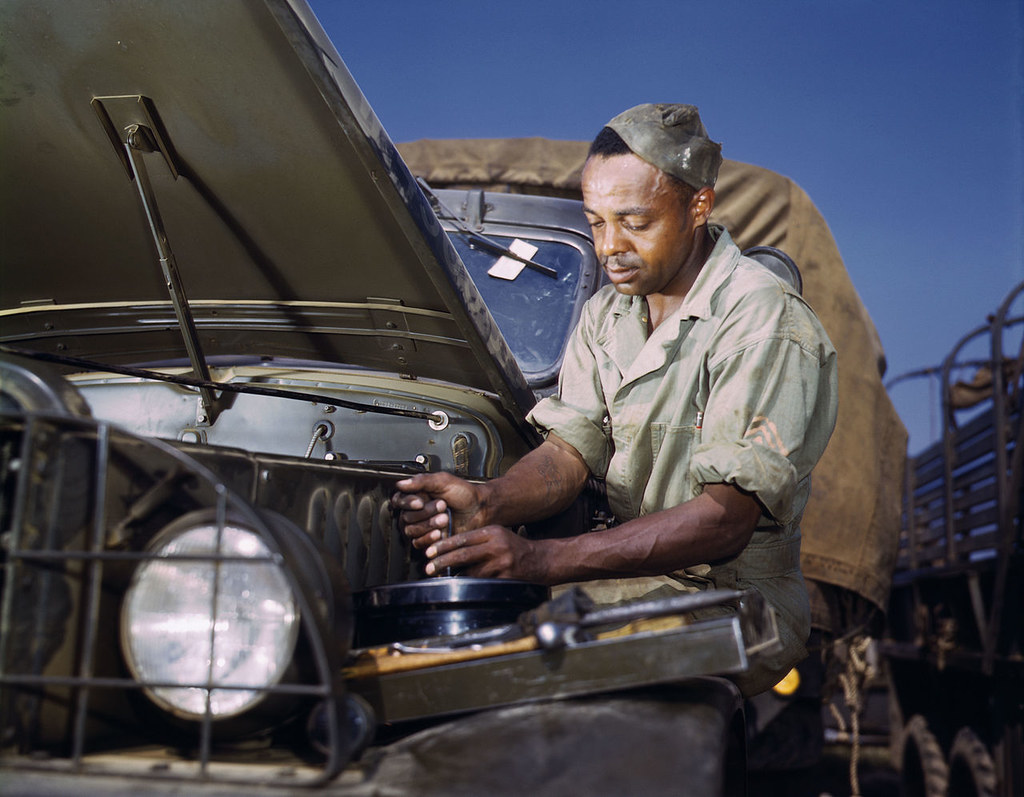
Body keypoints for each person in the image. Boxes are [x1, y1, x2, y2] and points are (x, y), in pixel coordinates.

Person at [392, 103, 838, 694]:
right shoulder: (608, 313)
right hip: (641, 581)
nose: (609, 247)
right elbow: (570, 450)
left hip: (735, 603)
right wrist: (488, 500)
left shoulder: (762, 319)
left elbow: (725, 520)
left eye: (635, 221)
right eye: (596, 222)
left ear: (698, 206)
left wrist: (541, 562)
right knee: (454, 640)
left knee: (505, 670)